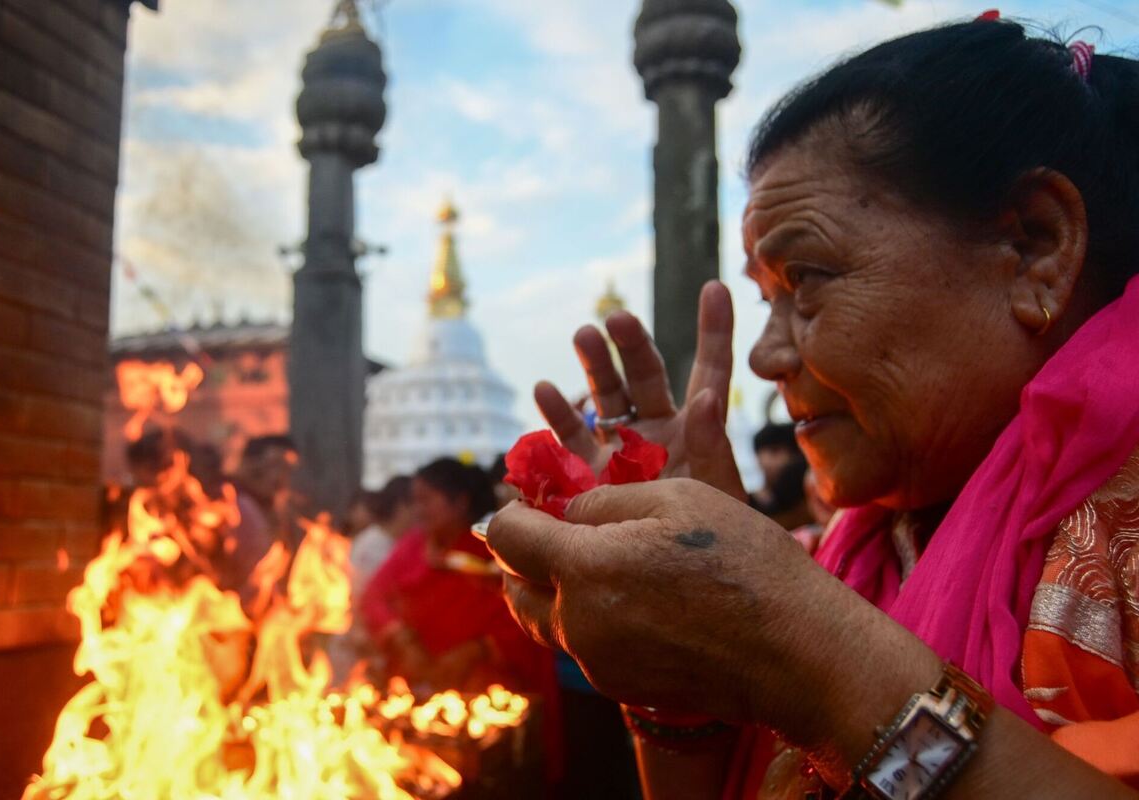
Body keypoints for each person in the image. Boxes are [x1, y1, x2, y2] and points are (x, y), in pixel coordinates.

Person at [486, 16, 1139, 800]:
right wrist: (686, 675)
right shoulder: (860, 550)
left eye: (808, 279)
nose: (765, 356)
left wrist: (810, 651)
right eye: (766, 299)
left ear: (1035, 247)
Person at [360, 458, 562, 779]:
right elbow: (374, 597)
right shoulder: (413, 545)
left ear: (460, 502)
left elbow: (525, 616)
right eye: (414, 501)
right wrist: (402, 639)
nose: (417, 510)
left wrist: (477, 650)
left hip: (490, 692)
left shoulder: (492, 549)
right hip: (422, 685)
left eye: (427, 500)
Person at [221, 434, 298, 611]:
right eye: (274, 466)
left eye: (287, 469)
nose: (280, 477)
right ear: (249, 464)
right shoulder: (235, 507)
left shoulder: (275, 510)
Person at [349, 476, 413, 601]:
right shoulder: (369, 545)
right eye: (419, 503)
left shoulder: (409, 542)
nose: (422, 511)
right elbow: (364, 598)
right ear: (402, 507)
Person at [749, 422, 812, 529]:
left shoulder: (806, 501)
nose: (785, 458)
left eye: (791, 453)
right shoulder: (746, 503)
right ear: (757, 456)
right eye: (774, 451)